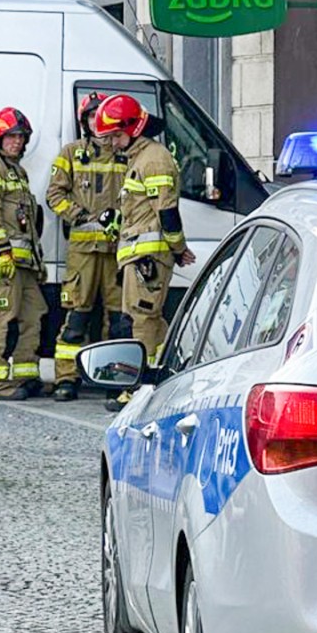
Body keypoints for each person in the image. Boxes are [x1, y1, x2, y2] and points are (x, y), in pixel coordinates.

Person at [90, 94, 194, 403]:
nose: (113, 144)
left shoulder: (154, 158)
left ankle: (139, 390)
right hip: (137, 256)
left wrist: (178, 248)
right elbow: (141, 212)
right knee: (149, 318)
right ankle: (164, 374)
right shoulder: (139, 158)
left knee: (142, 319)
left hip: (147, 257)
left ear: (134, 128)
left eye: (116, 136)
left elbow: (166, 212)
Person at [45, 94, 127, 401]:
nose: (97, 121)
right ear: (84, 121)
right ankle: (66, 379)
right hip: (82, 253)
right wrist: (80, 215)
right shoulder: (71, 153)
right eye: (91, 116)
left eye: (101, 116)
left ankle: (114, 379)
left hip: (118, 250)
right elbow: (54, 195)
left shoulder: (125, 152)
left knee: (118, 319)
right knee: (76, 316)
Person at [0, 108, 48, 400]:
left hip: (23, 262)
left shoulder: (17, 171)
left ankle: (25, 376)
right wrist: (3, 252)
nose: (17, 142)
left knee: (34, 313)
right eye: (11, 136)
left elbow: (26, 222)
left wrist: (37, 262)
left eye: (21, 137)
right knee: (0, 316)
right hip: (1, 260)